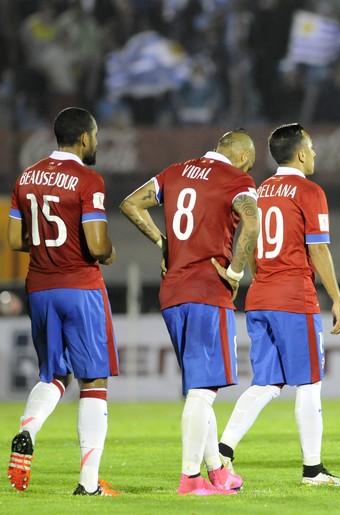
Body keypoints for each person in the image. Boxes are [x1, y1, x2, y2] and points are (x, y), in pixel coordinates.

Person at [119, 129, 260, 495]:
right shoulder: (238, 179)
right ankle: (190, 477)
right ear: (243, 156)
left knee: (200, 383)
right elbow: (253, 223)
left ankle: (217, 472)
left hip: (173, 292)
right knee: (202, 390)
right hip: (207, 290)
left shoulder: (175, 171)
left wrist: (163, 243)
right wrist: (235, 273)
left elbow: (130, 203)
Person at [215, 123, 340, 487]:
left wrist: (259, 278)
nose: (315, 153)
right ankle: (313, 470)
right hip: (294, 297)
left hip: (259, 295)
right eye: (312, 147)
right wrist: (337, 299)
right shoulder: (309, 191)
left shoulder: (258, 191)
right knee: (308, 384)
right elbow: (319, 249)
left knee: (266, 383)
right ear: (301, 153)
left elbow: (249, 244)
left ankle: (222, 453)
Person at [7, 107, 120, 496]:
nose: (98, 142)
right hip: (80, 287)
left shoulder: (26, 176)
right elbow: (96, 244)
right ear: (85, 138)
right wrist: (108, 252)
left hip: (39, 287)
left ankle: (28, 429)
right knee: (93, 380)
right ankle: (89, 484)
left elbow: (14, 240)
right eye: (97, 135)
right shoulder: (88, 180)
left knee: (55, 373)